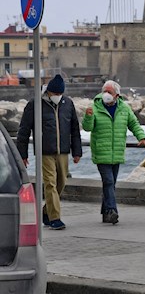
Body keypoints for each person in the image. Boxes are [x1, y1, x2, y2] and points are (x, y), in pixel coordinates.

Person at [16, 74, 82, 230]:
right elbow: (24, 131)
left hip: (63, 151)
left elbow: (74, 129)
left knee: (62, 183)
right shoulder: (35, 104)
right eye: (55, 94)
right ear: (49, 92)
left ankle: (46, 211)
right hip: (44, 151)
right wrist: (22, 154)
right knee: (50, 184)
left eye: (60, 94)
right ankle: (55, 218)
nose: (58, 97)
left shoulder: (68, 104)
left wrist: (77, 151)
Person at [82, 80, 145, 224]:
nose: (106, 94)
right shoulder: (95, 107)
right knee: (109, 181)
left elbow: (134, 123)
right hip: (101, 151)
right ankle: (112, 211)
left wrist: (141, 137)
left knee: (110, 184)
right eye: (104, 91)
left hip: (117, 152)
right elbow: (88, 128)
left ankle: (105, 212)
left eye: (109, 92)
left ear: (117, 95)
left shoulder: (124, 108)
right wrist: (87, 116)